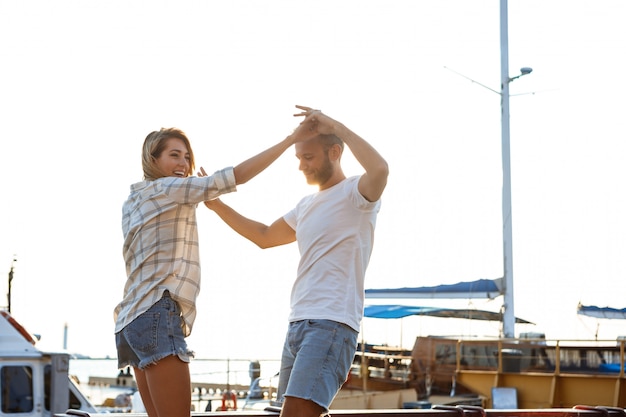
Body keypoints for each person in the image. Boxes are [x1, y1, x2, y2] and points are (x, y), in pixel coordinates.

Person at [204, 105, 389, 417]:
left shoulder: (356, 194)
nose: (301, 166)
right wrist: (216, 205)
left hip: (331, 324)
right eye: (298, 158)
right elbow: (264, 236)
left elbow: (381, 170)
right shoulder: (305, 205)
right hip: (297, 324)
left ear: (335, 152)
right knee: (284, 413)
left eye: (308, 157)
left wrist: (337, 124)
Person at [114, 125, 311, 417]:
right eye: (174, 155)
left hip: (129, 321)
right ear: (153, 160)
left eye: (186, 156)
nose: (183, 164)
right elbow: (235, 176)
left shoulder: (133, 200)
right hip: (155, 312)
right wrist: (290, 140)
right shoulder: (170, 188)